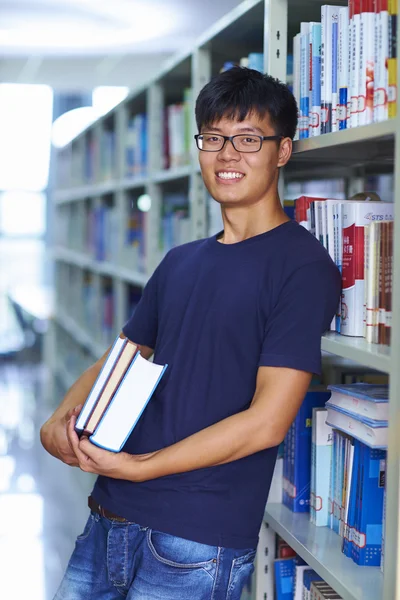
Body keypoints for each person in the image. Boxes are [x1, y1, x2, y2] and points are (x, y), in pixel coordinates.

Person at [41, 67, 341, 600]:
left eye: (249, 139)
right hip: (110, 514)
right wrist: (62, 417)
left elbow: (267, 423)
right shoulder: (181, 260)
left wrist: (141, 467)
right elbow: (122, 357)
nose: (228, 155)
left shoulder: (302, 266)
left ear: (283, 151)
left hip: (196, 538)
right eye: (213, 138)